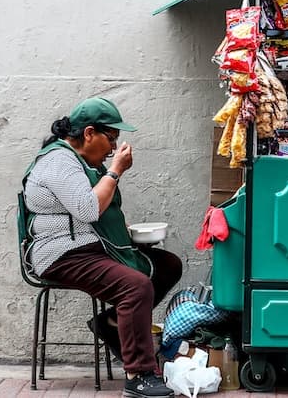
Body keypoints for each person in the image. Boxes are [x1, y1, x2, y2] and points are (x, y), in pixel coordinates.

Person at [22, 97, 181, 398]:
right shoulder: (59, 161)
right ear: (89, 133)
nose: (112, 149)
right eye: (111, 139)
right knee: (135, 287)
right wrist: (116, 170)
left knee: (167, 265)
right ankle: (139, 376)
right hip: (62, 254)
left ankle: (110, 323)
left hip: (91, 248)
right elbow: (88, 208)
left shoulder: (78, 161)